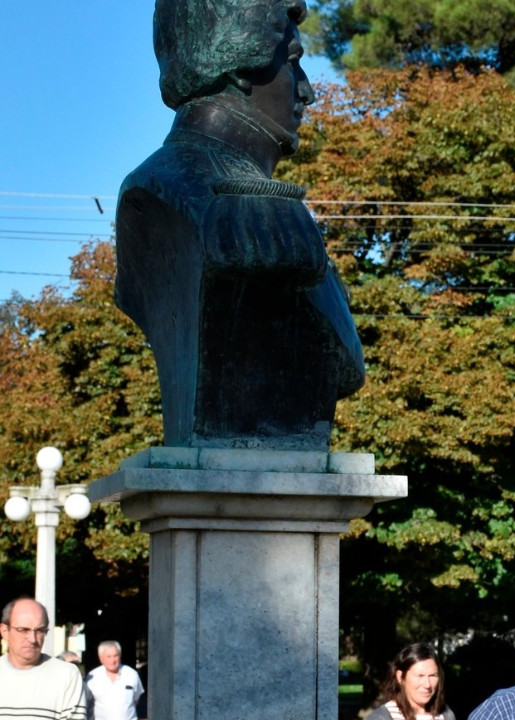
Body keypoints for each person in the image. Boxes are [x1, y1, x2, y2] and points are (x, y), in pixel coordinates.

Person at [115, 0, 364, 451]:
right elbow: (346, 364)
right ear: (238, 64)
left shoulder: (235, 199)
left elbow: (345, 368)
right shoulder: (217, 205)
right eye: (293, 64)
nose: (306, 91)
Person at [0, 597, 88, 720]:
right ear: (4, 631)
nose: (33, 639)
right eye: (23, 630)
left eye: (40, 630)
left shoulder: (66, 675)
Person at [349, 643, 457, 720]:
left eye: (433, 676)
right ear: (400, 677)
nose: (427, 684)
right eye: (419, 676)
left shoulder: (446, 716)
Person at [86, 640, 145, 720]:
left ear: (120, 656)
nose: (113, 660)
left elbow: (136, 699)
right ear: (101, 658)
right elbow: (88, 702)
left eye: (115, 656)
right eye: (108, 656)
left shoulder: (131, 674)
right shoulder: (93, 677)